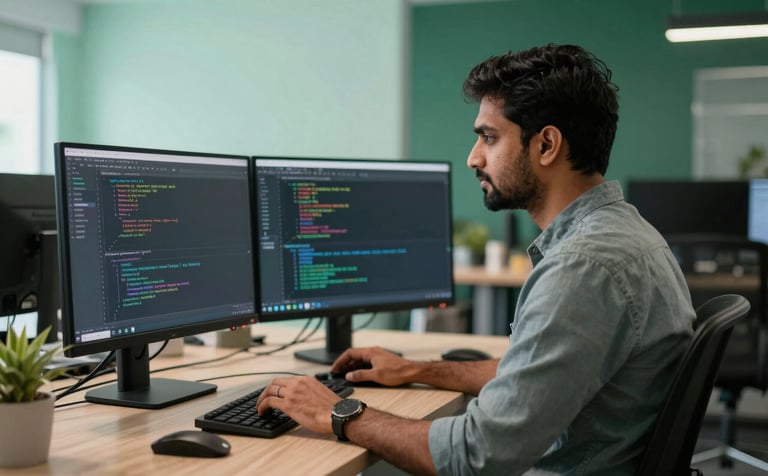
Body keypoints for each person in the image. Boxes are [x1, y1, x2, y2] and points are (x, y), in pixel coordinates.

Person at [256, 43, 695, 475]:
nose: (473, 158)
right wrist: (418, 369)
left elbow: (478, 455)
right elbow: (535, 374)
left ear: (546, 145)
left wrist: (339, 412)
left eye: (489, 137)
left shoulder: (584, 267)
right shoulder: (627, 234)